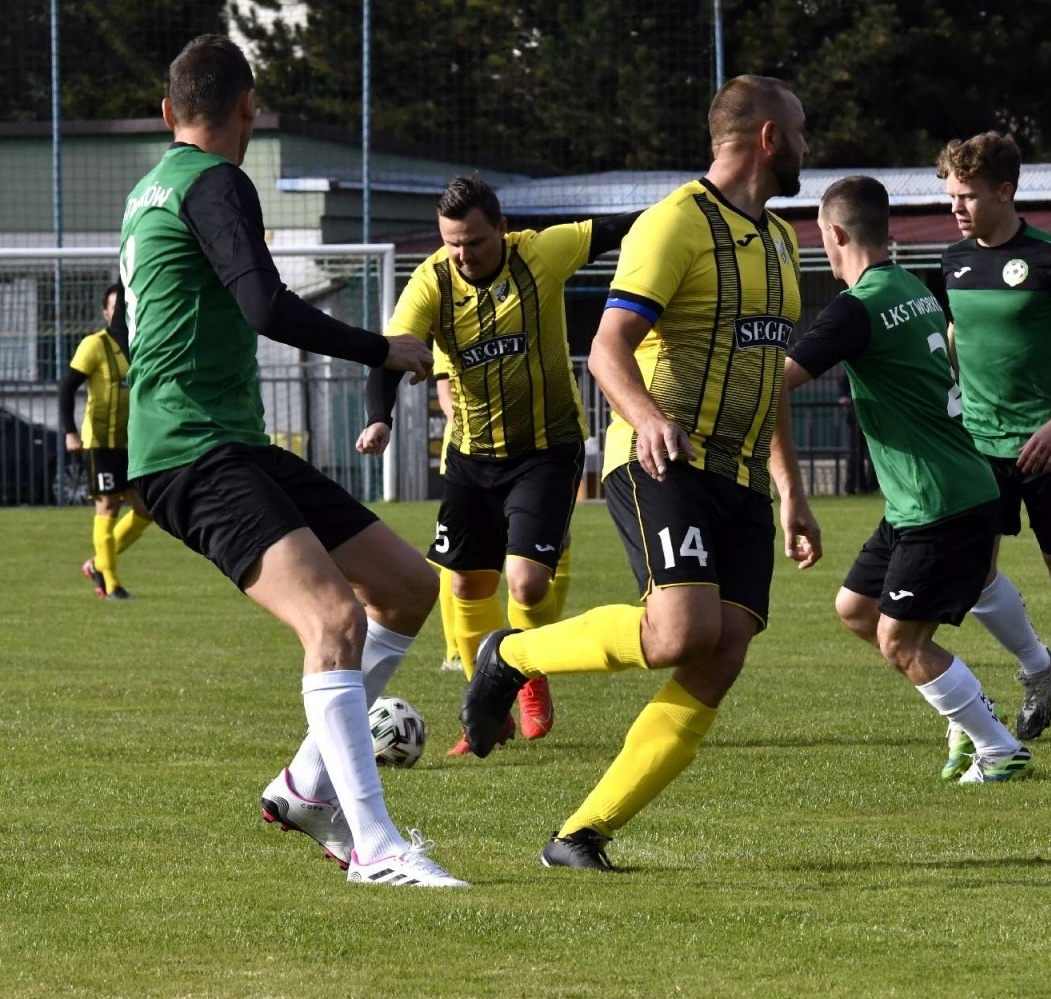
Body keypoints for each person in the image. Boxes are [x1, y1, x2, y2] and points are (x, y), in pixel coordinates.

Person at [120, 35, 465, 887]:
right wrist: (383, 349)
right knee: (334, 622)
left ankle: (306, 787)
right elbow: (265, 305)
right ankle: (375, 848)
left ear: (167, 114)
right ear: (249, 108)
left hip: (225, 442)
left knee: (407, 587)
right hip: (194, 450)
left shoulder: (147, 191)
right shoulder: (215, 181)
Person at [460, 75, 822, 871]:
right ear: (768, 138)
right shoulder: (675, 222)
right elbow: (607, 348)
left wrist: (791, 490)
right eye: (800, 130)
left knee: (722, 652)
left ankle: (580, 833)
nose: (806, 144)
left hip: (742, 480)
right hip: (665, 460)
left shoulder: (782, 239)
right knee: (680, 632)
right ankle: (510, 656)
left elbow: (768, 377)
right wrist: (652, 418)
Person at [356, 175, 633, 754]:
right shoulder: (431, 280)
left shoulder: (542, 253)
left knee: (526, 584)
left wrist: (694, 212)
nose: (462, 255)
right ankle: (488, 711)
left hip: (546, 448)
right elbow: (390, 354)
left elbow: (621, 228)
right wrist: (380, 418)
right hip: (471, 456)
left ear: (503, 229)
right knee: (464, 582)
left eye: (475, 242)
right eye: (452, 243)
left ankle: (528, 676)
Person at [786, 176, 1030, 783]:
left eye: (820, 238)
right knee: (855, 608)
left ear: (835, 234)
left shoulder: (856, 307)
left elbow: (774, 382)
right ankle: (967, 710)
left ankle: (1000, 748)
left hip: (939, 501)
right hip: (924, 498)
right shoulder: (912, 287)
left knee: (901, 643)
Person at [938, 131, 1051, 742]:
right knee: (973, 573)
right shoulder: (952, 262)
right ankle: (1039, 669)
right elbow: (957, 333)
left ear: (1005, 191)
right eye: (951, 195)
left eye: (967, 195)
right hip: (979, 445)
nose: (956, 207)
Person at [59, 281, 153, 600]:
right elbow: (66, 387)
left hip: (134, 442)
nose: (120, 313)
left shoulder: (139, 343)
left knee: (146, 510)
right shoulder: (94, 345)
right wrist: (70, 431)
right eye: (115, 308)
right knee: (108, 506)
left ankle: (98, 564)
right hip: (101, 441)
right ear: (105, 313)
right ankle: (111, 584)